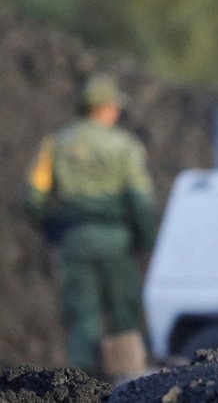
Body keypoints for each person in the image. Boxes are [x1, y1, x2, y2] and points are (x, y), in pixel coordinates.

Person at [25, 73, 158, 382]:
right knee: (124, 320)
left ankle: (79, 389)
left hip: (75, 241)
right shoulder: (125, 146)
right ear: (105, 108)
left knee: (82, 321)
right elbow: (141, 200)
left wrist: (51, 228)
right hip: (118, 243)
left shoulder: (56, 144)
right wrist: (149, 244)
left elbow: (35, 195)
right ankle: (129, 387)